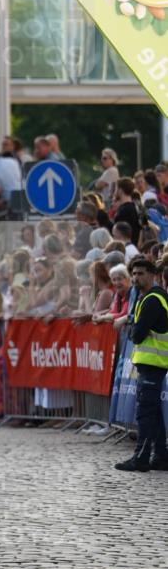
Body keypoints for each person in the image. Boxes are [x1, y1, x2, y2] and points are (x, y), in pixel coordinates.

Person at [115, 257, 168, 472]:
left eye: (141, 273)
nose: (137, 278)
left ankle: (142, 457)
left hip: (153, 362)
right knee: (153, 412)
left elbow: (137, 335)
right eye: (134, 274)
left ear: (153, 274)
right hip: (153, 362)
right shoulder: (146, 298)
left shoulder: (153, 299)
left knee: (145, 412)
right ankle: (161, 457)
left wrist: (131, 328)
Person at [111, 178, 140, 244]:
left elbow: (118, 234)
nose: (114, 192)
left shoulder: (122, 211)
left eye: (116, 189)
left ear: (120, 190)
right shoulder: (137, 208)